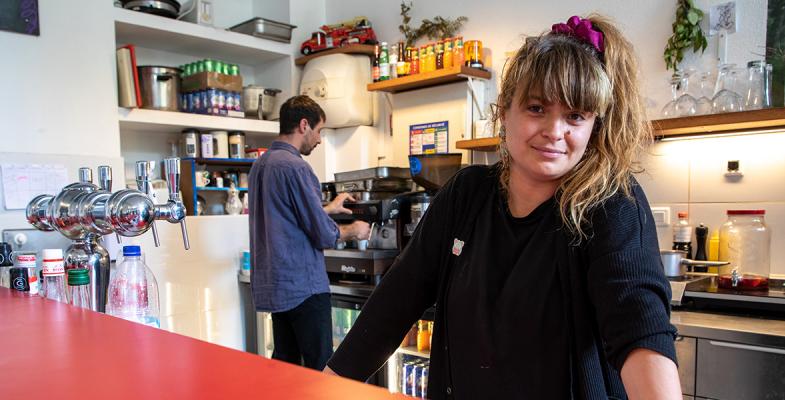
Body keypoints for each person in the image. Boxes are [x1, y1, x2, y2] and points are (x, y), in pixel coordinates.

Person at [325, 15, 682, 399]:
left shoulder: (611, 202)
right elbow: (395, 303)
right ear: (504, 110)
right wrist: (320, 389)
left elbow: (638, 323)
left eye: (575, 116)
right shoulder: (467, 194)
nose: (555, 131)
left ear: (594, 125)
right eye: (536, 108)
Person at [248, 95, 370, 370]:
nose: (319, 139)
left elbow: (285, 217)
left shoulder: (261, 165)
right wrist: (355, 230)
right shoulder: (296, 167)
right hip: (303, 287)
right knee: (320, 368)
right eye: (319, 131)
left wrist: (326, 208)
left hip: (277, 286)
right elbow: (323, 235)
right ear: (304, 125)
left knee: (285, 366)